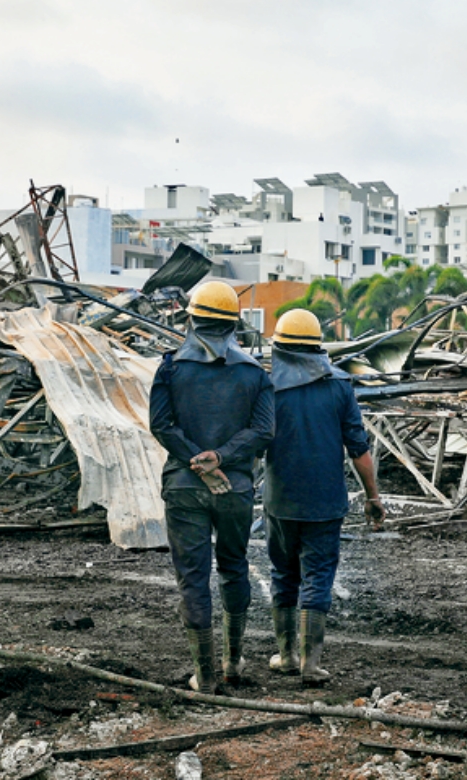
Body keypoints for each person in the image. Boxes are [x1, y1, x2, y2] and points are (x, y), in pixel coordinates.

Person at [149, 280, 274, 694]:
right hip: (234, 489)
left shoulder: (170, 367)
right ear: (234, 324)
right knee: (234, 568)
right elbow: (263, 430)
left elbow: (161, 426)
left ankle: (204, 676)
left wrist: (197, 461)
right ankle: (233, 663)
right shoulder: (255, 373)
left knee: (194, 579)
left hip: (183, 487)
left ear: (191, 318)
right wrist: (220, 458)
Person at [263, 308, 384, 685]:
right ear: (318, 347)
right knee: (317, 577)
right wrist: (372, 496)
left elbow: (253, 444)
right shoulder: (340, 386)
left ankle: (286, 656)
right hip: (325, 502)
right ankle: (310, 665)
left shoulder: (267, 387)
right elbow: (358, 449)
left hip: (280, 500)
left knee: (284, 575)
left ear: (279, 347)